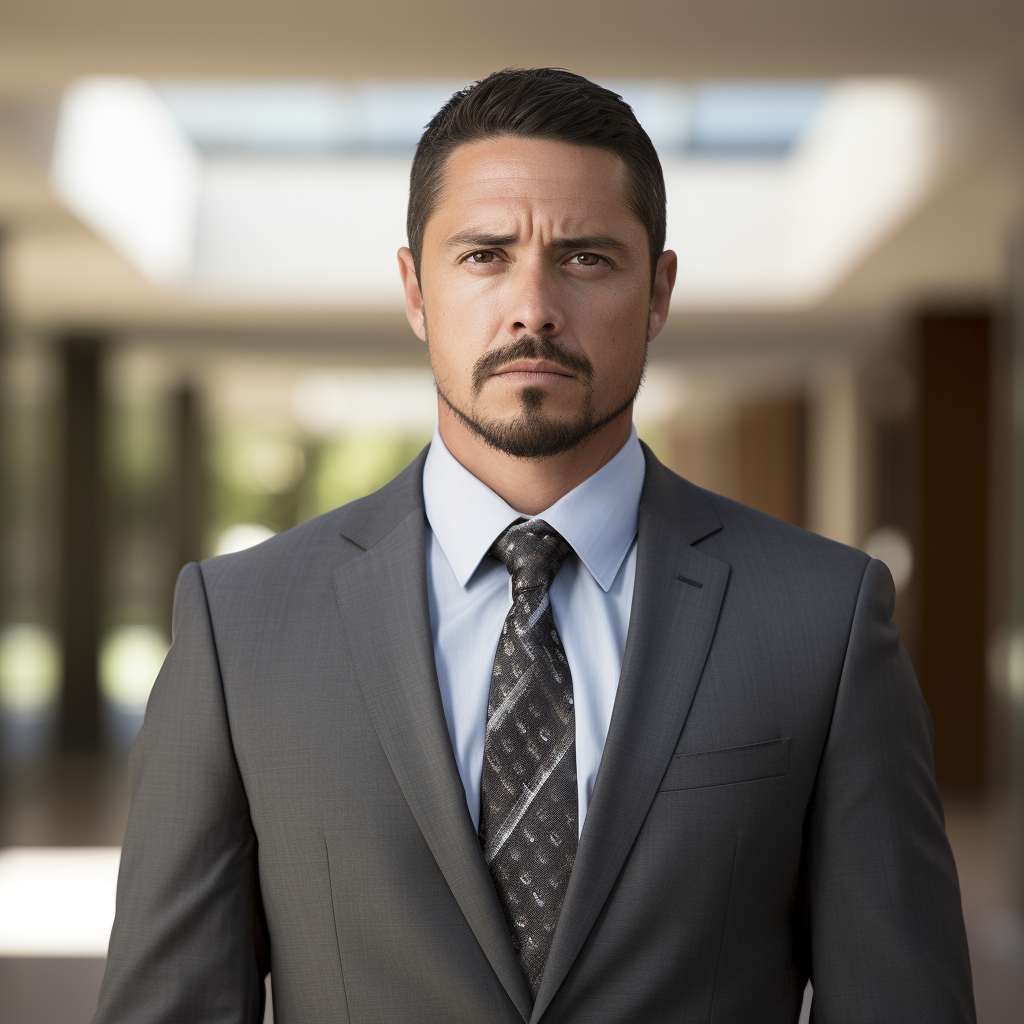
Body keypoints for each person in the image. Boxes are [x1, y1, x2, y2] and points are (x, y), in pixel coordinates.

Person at [94, 68, 975, 1023]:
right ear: (414, 290)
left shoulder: (823, 619)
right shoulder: (241, 626)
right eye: (484, 255)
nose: (534, 309)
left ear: (659, 291)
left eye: (587, 258)